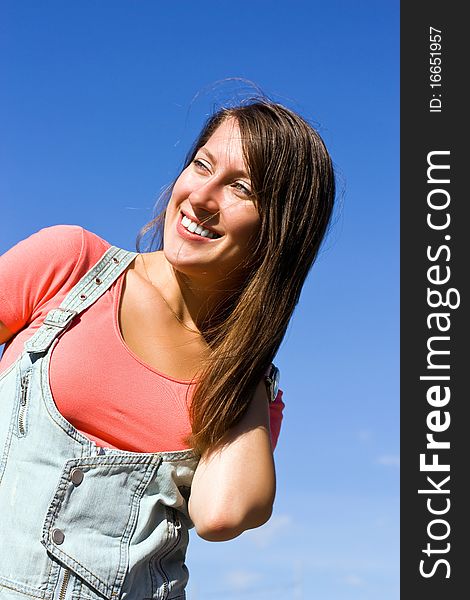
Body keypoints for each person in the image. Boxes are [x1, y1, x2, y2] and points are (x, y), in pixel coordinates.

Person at [0, 99, 335, 599]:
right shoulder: (69, 263)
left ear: (279, 232)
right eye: (202, 164)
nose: (202, 196)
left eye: (241, 188)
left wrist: (248, 359)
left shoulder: (243, 389)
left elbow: (222, 512)